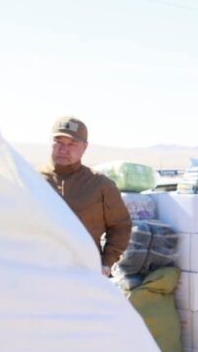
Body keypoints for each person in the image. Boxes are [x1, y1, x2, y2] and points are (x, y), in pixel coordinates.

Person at [38, 116, 131, 275]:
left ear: (85, 147)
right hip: (40, 271)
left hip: (85, 272)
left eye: (71, 144)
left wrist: (107, 262)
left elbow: (121, 226)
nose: (64, 149)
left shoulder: (100, 185)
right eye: (59, 142)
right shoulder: (31, 180)